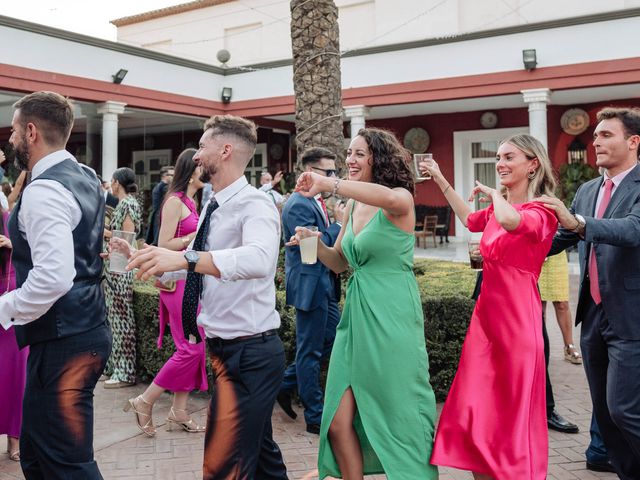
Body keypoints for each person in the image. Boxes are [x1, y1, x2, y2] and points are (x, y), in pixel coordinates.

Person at [127, 115, 287, 479]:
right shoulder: (214, 205)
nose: (196, 155)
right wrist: (152, 259)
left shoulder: (254, 204)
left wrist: (185, 257)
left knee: (222, 465)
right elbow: (197, 264)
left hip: (250, 353)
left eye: (202, 146)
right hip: (226, 351)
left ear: (225, 150)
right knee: (262, 460)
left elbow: (260, 260)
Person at [292, 128, 438, 479]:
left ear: (379, 158)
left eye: (359, 154)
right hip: (356, 313)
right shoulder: (354, 203)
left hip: (392, 311)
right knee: (338, 422)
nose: (350, 160)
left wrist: (328, 184)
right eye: (349, 153)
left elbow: (385, 198)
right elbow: (340, 261)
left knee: (398, 409)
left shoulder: (400, 198)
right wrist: (313, 242)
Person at [425, 133, 558, 479]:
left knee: (507, 417)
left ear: (532, 165)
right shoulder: (497, 210)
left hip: (517, 326)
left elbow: (514, 222)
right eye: (498, 157)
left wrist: (498, 196)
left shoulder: (543, 210)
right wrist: (440, 178)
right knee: (476, 413)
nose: (500, 163)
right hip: (485, 325)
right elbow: (470, 219)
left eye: (508, 157)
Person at [0, 91, 110, 478]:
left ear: (31, 132)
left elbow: (54, 276)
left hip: (65, 339)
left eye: (13, 131)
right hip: (85, 328)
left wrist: (5, 307)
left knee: (65, 463)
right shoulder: (86, 176)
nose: (10, 140)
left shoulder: (44, 190)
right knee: (38, 452)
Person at [537, 106, 640, 478]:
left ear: (633, 142)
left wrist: (578, 222)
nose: (596, 141)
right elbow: (560, 238)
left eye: (606, 135)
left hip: (632, 316)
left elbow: (631, 229)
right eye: (595, 136)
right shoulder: (588, 189)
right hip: (593, 316)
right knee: (605, 412)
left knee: (623, 408)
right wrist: (507, 242)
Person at [124, 148, 208, 436]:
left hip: (191, 279)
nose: (206, 169)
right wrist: (191, 238)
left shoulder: (192, 201)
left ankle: (179, 412)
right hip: (177, 283)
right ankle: (144, 400)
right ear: (192, 170)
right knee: (191, 347)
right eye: (201, 165)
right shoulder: (174, 201)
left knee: (193, 346)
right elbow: (163, 243)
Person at [276, 147, 342, 434]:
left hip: (324, 284)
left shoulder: (314, 200)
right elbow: (308, 245)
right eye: (329, 172)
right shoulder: (299, 203)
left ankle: (285, 383)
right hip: (310, 285)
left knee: (335, 337)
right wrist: (339, 223)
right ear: (311, 172)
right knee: (310, 352)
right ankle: (315, 416)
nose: (333, 177)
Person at [103, 167, 142, 389]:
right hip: (115, 265)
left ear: (117, 182)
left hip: (121, 269)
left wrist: (104, 232)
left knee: (122, 322)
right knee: (115, 321)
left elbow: (127, 239)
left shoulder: (128, 204)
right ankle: (115, 366)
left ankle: (125, 372)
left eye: (112, 180)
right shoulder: (126, 204)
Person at [0, 210, 27, 463]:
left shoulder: (11, 217)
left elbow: (37, 253)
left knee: (16, 373)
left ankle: (15, 437)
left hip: (10, 301)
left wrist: (13, 243)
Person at [539, 252, 582, 364]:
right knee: (539, 307)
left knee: (562, 303)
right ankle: (540, 347)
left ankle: (569, 346)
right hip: (534, 250)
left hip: (556, 253)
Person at [145, 165, 174, 245]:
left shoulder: (158, 187)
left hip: (157, 218)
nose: (174, 177)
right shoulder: (164, 188)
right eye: (172, 175)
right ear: (165, 176)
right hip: (160, 220)